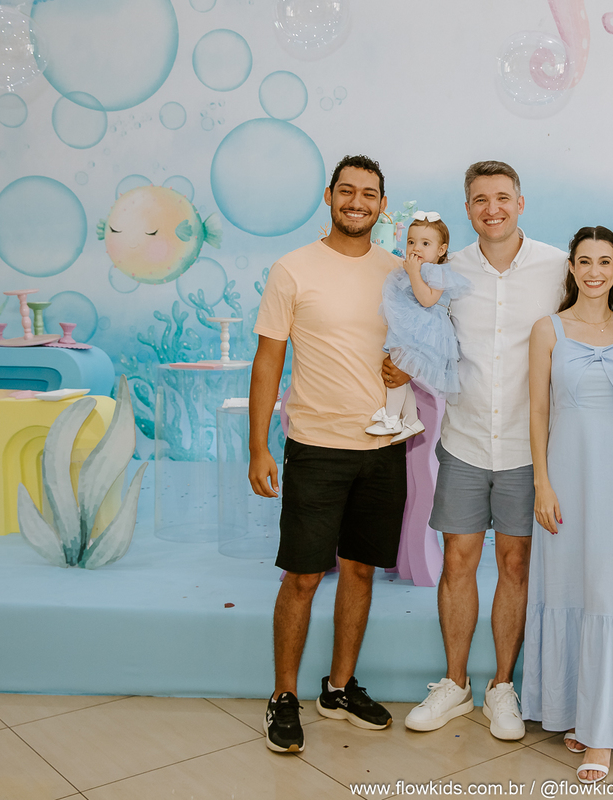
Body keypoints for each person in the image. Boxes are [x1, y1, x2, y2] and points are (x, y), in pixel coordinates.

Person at [390, 161, 567, 739]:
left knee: (515, 565)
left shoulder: (557, 267)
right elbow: (419, 332)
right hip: (464, 440)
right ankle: (455, 684)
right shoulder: (448, 271)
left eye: (502, 197)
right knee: (458, 561)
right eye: (480, 200)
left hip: (527, 446)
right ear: (467, 209)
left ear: (521, 202)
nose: (493, 209)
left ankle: (502, 688)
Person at [250, 155, 406, 754]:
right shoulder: (292, 269)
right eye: (347, 191)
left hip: (383, 448)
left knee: (361, 570)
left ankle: (338, 688)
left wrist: (405, 366)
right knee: (303, 576)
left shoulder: (399, 272)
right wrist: (258, 446)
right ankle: (282, 695)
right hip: (315, 447)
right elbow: (269, 359)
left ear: (382, 205)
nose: (357, 202)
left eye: (369, 194)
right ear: (329, 196)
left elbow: (417, 345)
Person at [521, 227, 613, 784]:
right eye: (585, 261)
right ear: (572, 268)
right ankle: (577, 710)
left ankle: (603, 732)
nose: (594, 271)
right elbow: (537, 412)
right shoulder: (547, 329)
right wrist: (542, 484)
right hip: (567, 477)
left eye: (604, 262)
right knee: (570, 588)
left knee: (609, 590)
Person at [365, 211, 470, 443]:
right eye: (411, 242)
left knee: (397, 368)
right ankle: (411, 420)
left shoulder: (438, 272)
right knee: (400, 374)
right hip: (413, 328)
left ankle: (392, 418)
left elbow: (427, 300)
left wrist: (413, 273)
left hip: (427, 331)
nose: (416, 248)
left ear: (441, 250)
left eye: (425, 244)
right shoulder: (411, 270)